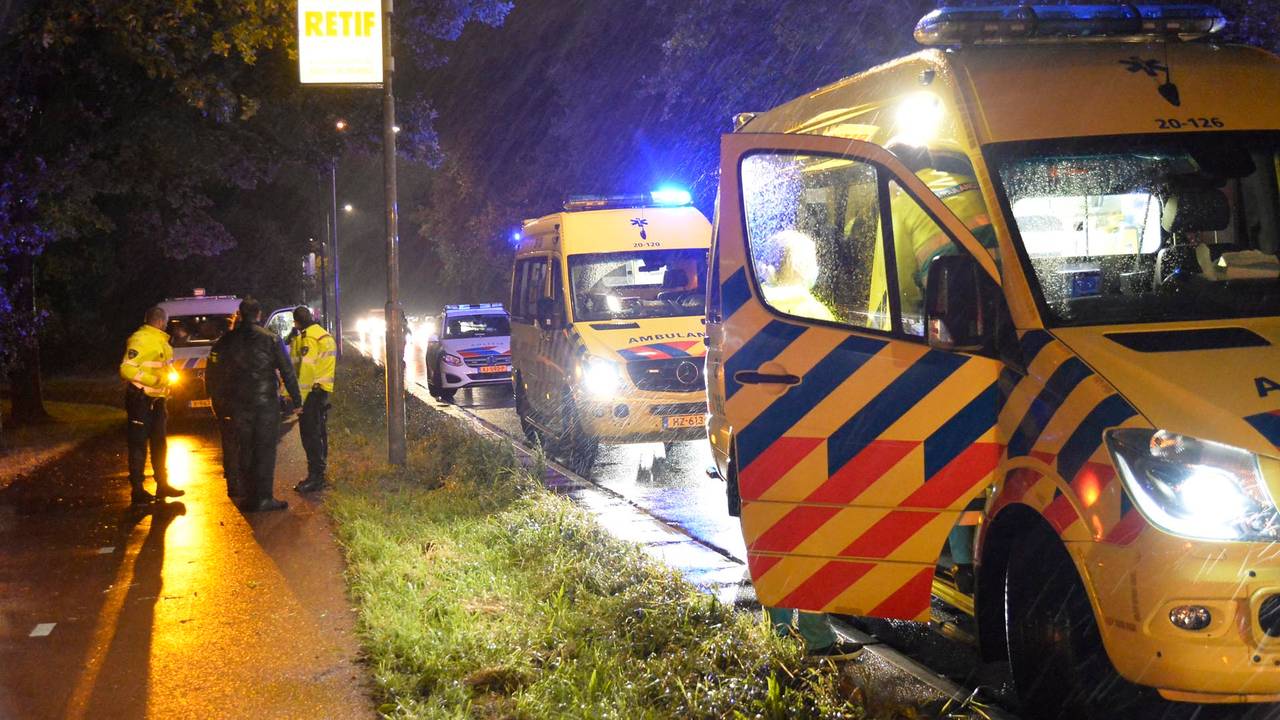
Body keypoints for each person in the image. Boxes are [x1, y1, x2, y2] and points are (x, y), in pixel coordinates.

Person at [215, 297, 302, 512]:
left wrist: (219, 403)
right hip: (265, 404)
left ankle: (249, 496)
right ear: (259, 314)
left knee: (245, 448)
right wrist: (297, 400)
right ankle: (264, 497)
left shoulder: (226, 341)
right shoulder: (271, 339)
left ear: (240, 314)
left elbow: (214, 374)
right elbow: (287, 371)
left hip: (238, 403)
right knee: (264, 449)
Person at [118, 306, 185, 504]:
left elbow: (163, 367)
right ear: (160, 321)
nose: (167, 325)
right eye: (165, 322)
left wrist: (167, 381)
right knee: (138, 444)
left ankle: (162, 485)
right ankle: (137, 490)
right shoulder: (141, 340)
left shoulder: (162, 342)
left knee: (159, 443)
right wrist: (153, 381)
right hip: (140, 400)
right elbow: (126, 369)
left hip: (157, 401)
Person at [289, 306, 336, 492]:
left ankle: (315, 478)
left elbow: (306, 371)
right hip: (321, 391)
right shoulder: (323, 334)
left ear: (296, 322)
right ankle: (319, 474)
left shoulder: (308, 338)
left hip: (311, 393)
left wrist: (298, 401)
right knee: (318, 433)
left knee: (310, 436)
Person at [206, 313, 241, 498]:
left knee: (228, 441)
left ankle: (232, 480)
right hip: (239, 400)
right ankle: (239, 481)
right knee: (242, 442)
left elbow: (210, 372)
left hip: (223, 401)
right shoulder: (243, 344)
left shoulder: (219, 345)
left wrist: (212, 396)